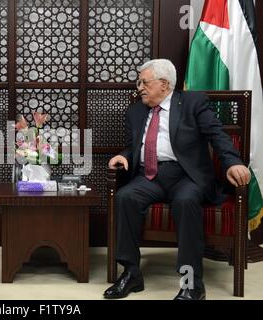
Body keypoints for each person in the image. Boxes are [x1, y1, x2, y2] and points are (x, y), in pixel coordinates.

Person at [104, 59, 251, 300]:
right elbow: (134, 145)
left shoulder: (192, 103)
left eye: (144, 82)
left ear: (164, 84)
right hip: (149, 176)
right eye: (138, 82)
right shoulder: (136, 111)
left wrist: (233, 162)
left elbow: (217, 135)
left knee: (185, 202)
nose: (138, 87)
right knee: (125, 197)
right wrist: (123, 155)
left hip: (186, 175)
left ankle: (191, 282)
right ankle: (131, 274)